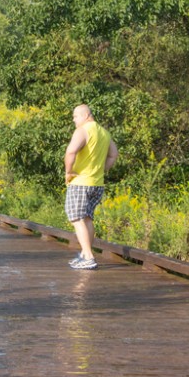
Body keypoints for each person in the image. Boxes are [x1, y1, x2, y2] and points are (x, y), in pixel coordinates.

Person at [64, 104, 118, 270]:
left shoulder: (83, 130)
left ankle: (88, 256)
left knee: (76, 218)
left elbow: (71, 151)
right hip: (97, 183)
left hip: (81, 182)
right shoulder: (104, 133)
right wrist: (103, 169)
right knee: (87, 218)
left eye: (75, 116)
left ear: (86, 115)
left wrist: (69, 171)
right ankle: (84, 254)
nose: (74, 119)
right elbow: (113, 154)